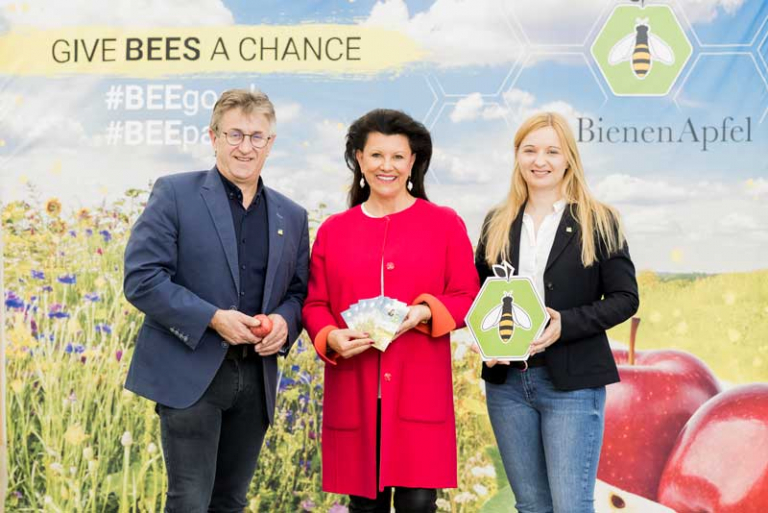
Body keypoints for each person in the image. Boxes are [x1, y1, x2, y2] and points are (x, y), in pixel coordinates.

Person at [123, 89, 309, 512]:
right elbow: (142, 278)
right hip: (191, 375)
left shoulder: (292, 215)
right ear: (213, 136)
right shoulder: (174, 193)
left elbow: (298, 293)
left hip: (256, 379)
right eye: (235, 134)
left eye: (257, 137)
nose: (246, 147)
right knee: (189, 501)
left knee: (230, 502)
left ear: (271, 143)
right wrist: (211, 318)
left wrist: (283, 323)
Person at [302, 109, 479, 512]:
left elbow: (467, 296)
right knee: (364, 506)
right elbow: (315, 304)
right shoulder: (335, 230)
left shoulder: (444, 223)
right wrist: (329, 336)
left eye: (398, 157)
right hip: (355, 390)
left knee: (419, 505)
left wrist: (423, 313)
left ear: (413, 162)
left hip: (419, 390)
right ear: (359, 160)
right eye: (377, 155)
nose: (388, 166)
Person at [474, 112, 639, 513]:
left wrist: (566, 323)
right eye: (529, 150)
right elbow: (479, 295)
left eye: (552, 150)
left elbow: (625, 297)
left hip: (572, 386)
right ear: (517, 157)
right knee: (530, 506)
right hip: (507, 385)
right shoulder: (497, 221)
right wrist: (484, 341)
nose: (539, 160)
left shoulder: (600, 221)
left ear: (569, 158)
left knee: (570, 506)